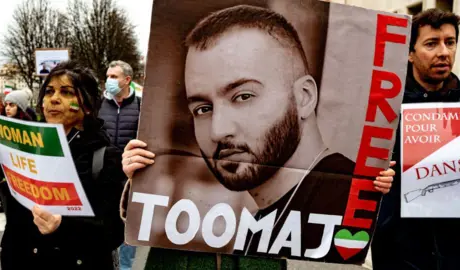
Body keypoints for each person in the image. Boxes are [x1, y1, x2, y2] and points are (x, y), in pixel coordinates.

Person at [121, 4, 395, 266]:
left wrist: (378, 197)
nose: (219, 130)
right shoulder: (260, 220)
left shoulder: (345, 198)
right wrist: (138, 183)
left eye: (243, 96)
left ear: (304, 97)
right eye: (203, 108)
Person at [0, 60, 125, 270]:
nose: (54, 99)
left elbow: (115, 231)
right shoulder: (24, 148)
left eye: (66, 92)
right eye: (49, 92)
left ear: (86, 105)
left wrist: (62, 226)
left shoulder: (105, 156)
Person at [372, 8, 460, 270]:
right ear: (409, 53)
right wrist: (377, 177)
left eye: (450, 42)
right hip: (398, 247)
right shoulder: (383, 107)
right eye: (431, 44)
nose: (444, 52)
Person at [98, 60, 141, 270]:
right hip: (103, 177)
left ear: (127, 80)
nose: (109, 81)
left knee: (127, 227)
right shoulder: (99, 105)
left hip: (130, 180)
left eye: (114, 77)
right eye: (108, 76)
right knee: (103, 225)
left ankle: (125, 267)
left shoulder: (141, 106)